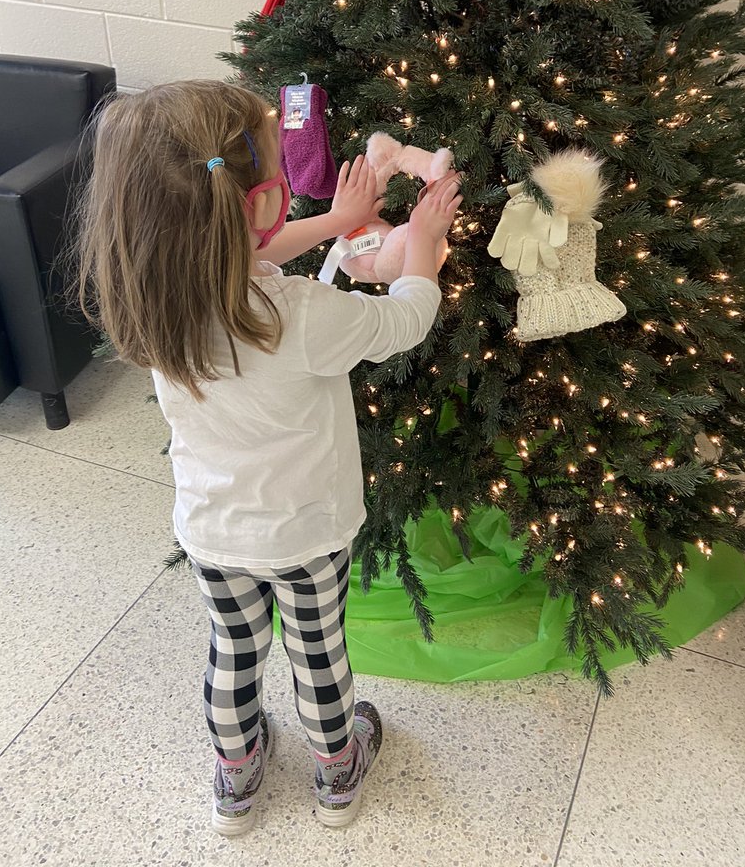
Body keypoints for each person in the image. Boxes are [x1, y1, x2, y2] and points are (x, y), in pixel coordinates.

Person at [75, 80, 461, 836]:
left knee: (234, 650)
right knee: (317, 652)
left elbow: (242, 253)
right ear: (255, 207)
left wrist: (334, 223)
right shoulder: (300, 315)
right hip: (306, 532)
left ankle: (238, 777)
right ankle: (337, 771)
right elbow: (408, 319)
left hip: (215, 531)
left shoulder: (155, 297)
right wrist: (420, 242)